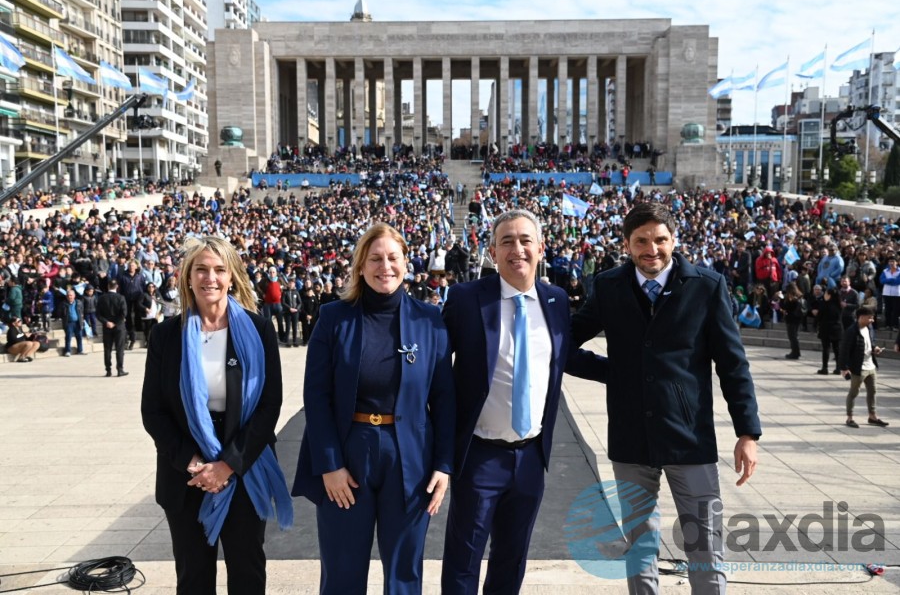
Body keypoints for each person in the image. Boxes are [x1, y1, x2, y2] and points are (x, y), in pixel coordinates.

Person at [570, 203, 761, 594]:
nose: (651, 249)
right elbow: (566, 344)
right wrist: (614, 373)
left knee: (705, 545)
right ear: (626, 244)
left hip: (689, 437)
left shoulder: (707, 287)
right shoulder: (608, 286)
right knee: (639, 544)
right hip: (630, 435)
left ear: (674, 240)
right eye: (641, 241)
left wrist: (747, 432)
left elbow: (733, 364)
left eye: (660, 239)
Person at [291, 223, 455, 594]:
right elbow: (316, 397)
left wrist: (444, 465)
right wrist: (329, 465)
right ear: (361, 266)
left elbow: (444, 399)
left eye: (393, 258)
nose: (385, 267)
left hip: (410, 456)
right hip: (349, 452)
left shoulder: (429, 321)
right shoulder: (334, 317)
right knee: (342, 572)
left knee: (404, 575)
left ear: (406, 263)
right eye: (375, 258)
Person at [440, 209, 597, 594]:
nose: (517, 249)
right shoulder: (464, 299)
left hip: (530, 458)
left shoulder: (556, 300)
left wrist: (628, 372)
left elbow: (566, 356)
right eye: (506, 241)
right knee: (464, 561)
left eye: (525, 240)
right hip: (479, 455)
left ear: (541, 248)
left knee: (511, 561)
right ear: (493, 252)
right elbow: (435, 366)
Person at [141, 236, 293, 594]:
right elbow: (153, 411)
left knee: (247, 574)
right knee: (193, 579)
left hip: (244, 469)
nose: (210, 278)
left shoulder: (258, 329)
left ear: (232, 276)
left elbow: (269, 405)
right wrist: (195, 464)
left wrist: (228, 465)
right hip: (186, 475)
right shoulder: (166, 335)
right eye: (201, 270)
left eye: (219, 270)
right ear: (187, 278)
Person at [839, 307, 889, 428]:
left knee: (872, 391)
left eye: (872, 317)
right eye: (870, 318)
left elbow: (869, 343)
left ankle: (872, 417)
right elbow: (844, 350)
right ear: (861, 317)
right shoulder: (851, 331)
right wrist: (844, 368)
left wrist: (874, 348)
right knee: (854, 392)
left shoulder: (869, 328)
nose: (872, 320)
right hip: (858, 367)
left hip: (870, 365)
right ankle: (849, 418)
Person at [96, 278, 128, 377]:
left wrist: (107, 322)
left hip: (107, 327)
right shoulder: (121, 298)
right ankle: (120, 369)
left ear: (108, 286)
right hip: (119, 327)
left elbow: (98, 314)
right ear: (117, 287)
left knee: (107, 349)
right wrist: (115, 323)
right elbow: (124, 313)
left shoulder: (102, 298)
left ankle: (108, 370)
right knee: (119, 348)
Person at [814, 287, 843, 375]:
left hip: (826, 328)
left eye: (826, 293)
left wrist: (815, 324)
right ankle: (838, 368)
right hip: (837, 328)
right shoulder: (839, 304)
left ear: (829, 295)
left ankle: (825, 368)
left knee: (826, 348)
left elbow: (819, 316)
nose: (824, 295)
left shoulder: (825, 304)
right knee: (837, 349)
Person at [61, 289, 85, 357]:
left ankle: (80, 350)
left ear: (74, 296)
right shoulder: (63, 303)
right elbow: (59, 313)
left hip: (77, 322)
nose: (70, 297)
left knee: (79, 337)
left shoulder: (79, 302)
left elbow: (82, 311)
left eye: (71, 295)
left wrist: (82, 320)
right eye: (68, 295)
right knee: (68, 337)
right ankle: (68, 351)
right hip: (69, 323)